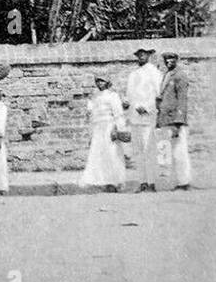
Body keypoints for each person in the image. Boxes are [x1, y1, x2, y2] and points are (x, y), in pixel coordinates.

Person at [122, 47, 162, 192]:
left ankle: (151, 182)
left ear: (149, 55)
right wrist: (126, 102)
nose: (141, 56)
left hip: (147, 116)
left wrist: (148, 108)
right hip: (134, 116)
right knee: (138, 150)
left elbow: (158, 95)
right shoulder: (133, 74)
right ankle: (142, 181)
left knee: (148, 149)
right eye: (139, 54)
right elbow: (129, 94)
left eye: (144, 54)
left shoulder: (155, 73)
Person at [80, 75, 126, 192]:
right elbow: (92, 115)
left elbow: (118, 114)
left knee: (111, 154)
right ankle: (102, 181)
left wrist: (117, 129)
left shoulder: (113, 95)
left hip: (109, 127)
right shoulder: (95, 97)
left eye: (102, 81)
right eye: (98, 81)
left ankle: (114, 182)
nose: (100, 83)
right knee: (99, 155)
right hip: (98, 128)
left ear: (107, 82)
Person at [156, 52, 192, 191]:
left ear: (177, 60)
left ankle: (184, 182)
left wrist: (178, 122)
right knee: (167, 152)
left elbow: (182, 100)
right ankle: (175, 181)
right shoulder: (167, 75)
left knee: (179, 151)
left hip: (175, 120)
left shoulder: (180, 76)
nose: (168, 61)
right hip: (165, 119)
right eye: (166, 59)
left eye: (171, 59)